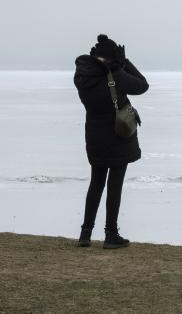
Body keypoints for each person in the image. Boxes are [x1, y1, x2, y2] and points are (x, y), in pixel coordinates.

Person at [74, 34, 149, 249]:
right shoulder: (116, 75)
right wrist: (125, 63)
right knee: (114, 186)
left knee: (96, 183)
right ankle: (111, 234)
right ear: (111, 57)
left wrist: (115, 64)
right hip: (118, 136)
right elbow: (142, 85)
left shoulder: (82, 76)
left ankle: (85, 234)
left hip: (94, 136)